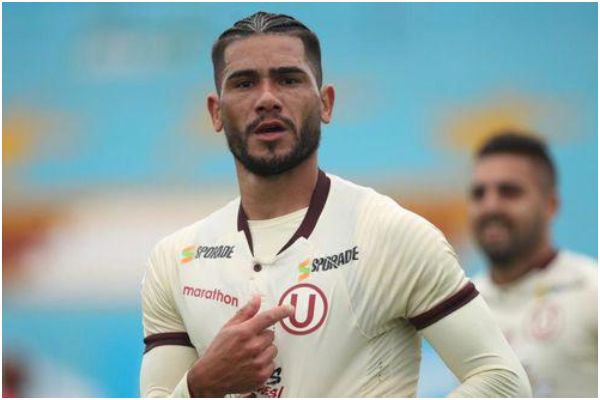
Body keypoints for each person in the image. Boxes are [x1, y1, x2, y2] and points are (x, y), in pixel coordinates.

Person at [139, 11, 531, 397]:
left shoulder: (390, 234)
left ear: (325, 103)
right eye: (244, 83)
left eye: (288, 79)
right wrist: (200, 386)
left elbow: (503, 381)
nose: (267, 98)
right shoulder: (176, 260)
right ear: (215, 112)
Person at [467, 132, 598, 397]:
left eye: (509, 192)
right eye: (479, 194)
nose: (490, 206)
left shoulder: (591, 290)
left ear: (550, 205)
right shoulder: (463, 302)